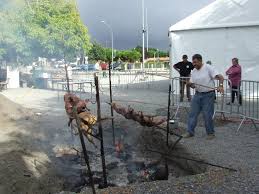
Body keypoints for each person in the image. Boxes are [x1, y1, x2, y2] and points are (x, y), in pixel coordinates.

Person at [183, 54, 224, 140]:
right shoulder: (193, 71)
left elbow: (221, 77)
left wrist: (220, 86)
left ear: (200, 61)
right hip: (197, 94)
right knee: (192, 114)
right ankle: (190, 132)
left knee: (207, 115)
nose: (194, 64)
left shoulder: (208, 68)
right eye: (193, 62)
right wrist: (190, 85)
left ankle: (210, 133)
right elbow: (194, 86)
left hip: (208, 95)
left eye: (195, 62)